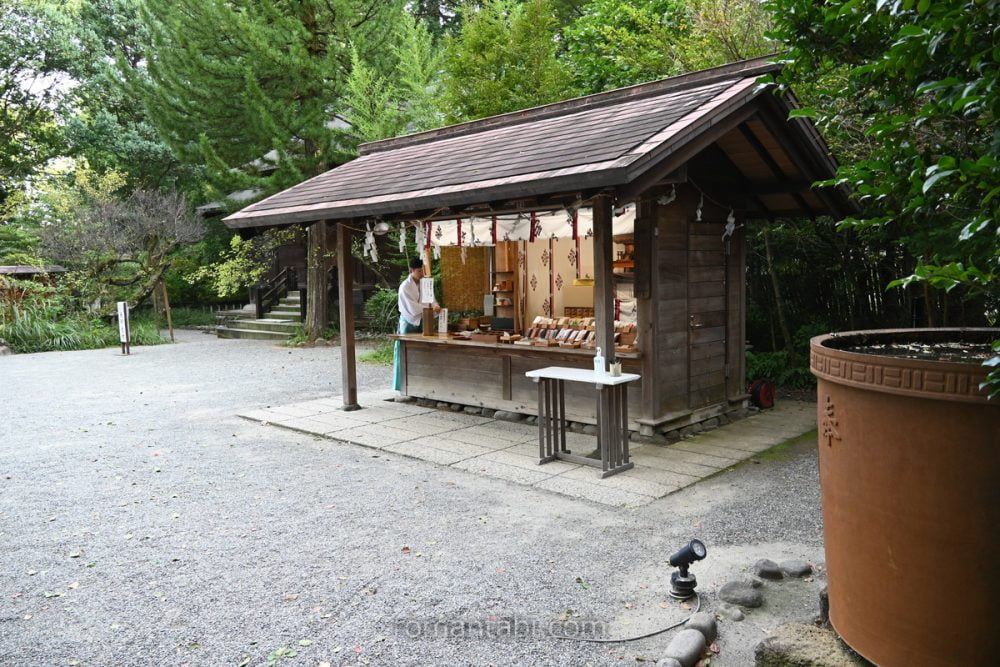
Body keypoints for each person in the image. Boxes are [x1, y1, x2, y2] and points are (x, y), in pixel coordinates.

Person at [393, 256, 439, 391]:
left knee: (422, 352)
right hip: (408, 322)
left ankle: (419, 386)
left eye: (422, 270)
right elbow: (412, 307)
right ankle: (402, 386)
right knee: (405, 353)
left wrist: (436, 306)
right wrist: (429, 307)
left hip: (423, 320)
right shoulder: (405, 286)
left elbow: (431, 298)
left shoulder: (425, 283)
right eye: (419, 271)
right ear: (411, 270)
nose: (421, 273)